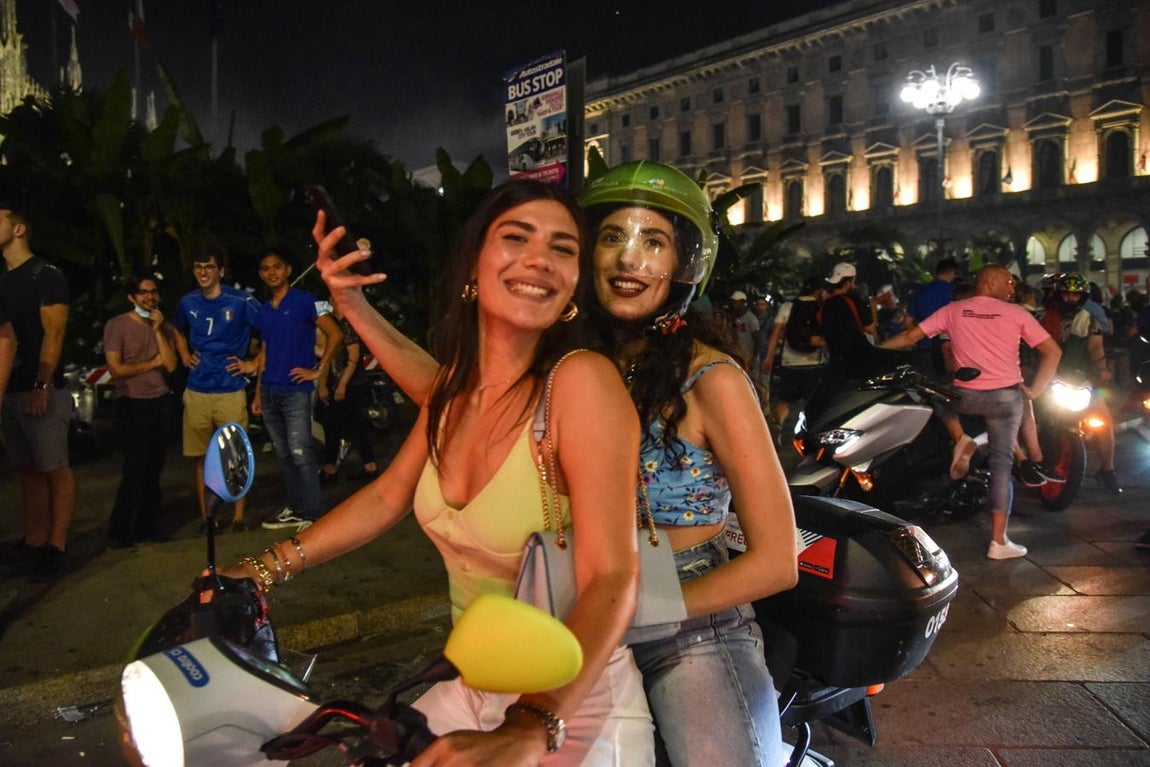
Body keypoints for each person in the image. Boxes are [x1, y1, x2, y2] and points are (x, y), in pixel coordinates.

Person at [316, 161, 799, 767]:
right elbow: (452, 397)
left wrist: (635, 606)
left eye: (654, 242)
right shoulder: (568, 364)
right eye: (611, 237)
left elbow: (778, 562)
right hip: (575, 612)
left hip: (688, 622)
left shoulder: (712, 378)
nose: (630, 260)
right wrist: (357, 308)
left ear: (684, 264)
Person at [231, 179, 655, 766]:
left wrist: (532, 725)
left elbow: (614, 576)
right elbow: (386, 497)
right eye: (516, 237)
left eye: (563, 248)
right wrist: (258, 571)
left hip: (570, 708)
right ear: (473, 268)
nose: (540, 258)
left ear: (574, 287)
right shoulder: (454, 387)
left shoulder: (582, 382)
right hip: (470, 686)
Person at [881, 265, 1062, 559]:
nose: (1012, 288)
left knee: (939, 395)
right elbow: (1053, 351)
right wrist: (1036, 391)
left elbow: (909, 338)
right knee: (1003, 465)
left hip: (965, 398)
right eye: (1008, 282)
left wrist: (874, 351)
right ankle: (998, 542)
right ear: (990, 282)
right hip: (1005, 399)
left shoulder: (954, 310)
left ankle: (960, 437)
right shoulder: (1016, 313)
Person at [0, 204, 75, 580]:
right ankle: (33, 540)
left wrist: (42, 384)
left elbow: (54, 331)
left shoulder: (45, 274)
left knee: (54, 468)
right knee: (27, 469)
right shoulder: (3, 278)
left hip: (41, 388)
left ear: (18, 229)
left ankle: (56, 545)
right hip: (10, 389)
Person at [246, 249, 343, 532]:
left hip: (296, 391)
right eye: (265, 268)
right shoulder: (264, 311)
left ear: (288, 269)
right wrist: (257, 394)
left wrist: (318, 369)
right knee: (284, 454)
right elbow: (266, 351)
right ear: (261, 274)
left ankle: (313, 514)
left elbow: (334, 333)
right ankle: (296, 507)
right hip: (270, 391)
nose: (271, 272)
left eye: (277, 266)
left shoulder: (304, 301)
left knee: (301, 452)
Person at [172, 246, 260, 533]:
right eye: (198, 268)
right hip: (198, 388)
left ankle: (238, 517)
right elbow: (176, 328)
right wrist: (184, 353)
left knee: (235, 454)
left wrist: (254, 363)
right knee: (201, 456)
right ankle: (207, 517)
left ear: (220, 270)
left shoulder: (241, 301)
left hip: (230, 388)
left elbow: (269, 329)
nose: (203, 273)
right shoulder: (188, 302)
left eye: (209, 267)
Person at [102, 274, 179, 548]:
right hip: (132, 402)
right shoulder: (117, 325)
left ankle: (148, 526)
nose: (150, 297)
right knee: (134, 468)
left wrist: (158, 331)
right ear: (132, 297)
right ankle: (120, 530)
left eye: (153, 292)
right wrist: (151, 363)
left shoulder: (162, 326)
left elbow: (170, 365)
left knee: (155, 468)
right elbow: (116, 369)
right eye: (144, 293)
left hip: (159, 401)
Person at [1040, 272, 1122, 493]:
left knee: (1103, 422)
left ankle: (1107, 470)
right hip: (1046, 378)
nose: (1070, 299)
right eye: (1066, 294)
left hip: (1081, 379)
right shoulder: (1042, 318)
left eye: (1076, 295)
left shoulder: (1090, 319)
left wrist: (1103, 369)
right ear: (1058, 295)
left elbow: (1095, 346)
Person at [317, 304, 380, 482]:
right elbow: (326, 359)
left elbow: (353, 357)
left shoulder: (346, 325)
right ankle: (333, 467)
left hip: (352, 384)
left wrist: (342, 385)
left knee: (354, 425)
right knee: (333, 426)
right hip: (335, 383)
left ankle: (368, 466)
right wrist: (323, 385)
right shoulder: (330, 323)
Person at [763, 276, 825, 433]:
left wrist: (769, 357)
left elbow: (775, 334)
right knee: (813, 401)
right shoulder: (821, 307)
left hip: (789, 363)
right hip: (814, 363)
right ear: (819, 291)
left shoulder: (787, 307)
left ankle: (778, 425)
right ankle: (810, 431)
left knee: (784, 400)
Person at [727, 290, 759, 365]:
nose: (734, 304)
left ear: (743, 303)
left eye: (736, 302)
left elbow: (757, 339)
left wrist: (754, 358)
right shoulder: (732, 317)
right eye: (733, 301)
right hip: (735, 356)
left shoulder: (751, 318)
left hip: (747, 357)